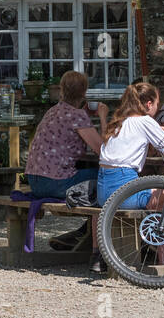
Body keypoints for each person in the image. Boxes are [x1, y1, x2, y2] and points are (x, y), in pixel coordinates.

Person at [96, 82, 164, 272]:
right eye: (157, 104)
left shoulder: (119, 121)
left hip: (103, 191)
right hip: (123, 189)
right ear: (149, 104)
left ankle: (150, 247)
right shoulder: (145, 121)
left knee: (154, 191)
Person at [24, 70, 106, 253]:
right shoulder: (77, 116)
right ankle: (96, 243)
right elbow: (104, 151)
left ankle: (82, 234)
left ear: (61, 90)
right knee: (107, 179)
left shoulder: (52, 112)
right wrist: (102, 116)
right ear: (84, 92)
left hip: (35, 182)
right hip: (55, 183)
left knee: (96, 179)